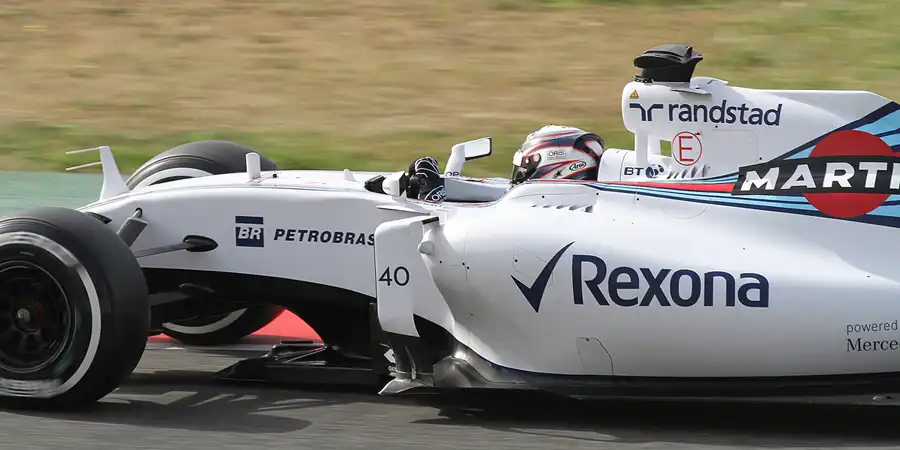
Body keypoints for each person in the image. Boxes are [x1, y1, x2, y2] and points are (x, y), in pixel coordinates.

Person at [401, 125, 606, 202]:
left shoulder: (554, 214)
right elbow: (499, 190)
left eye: (527, 166)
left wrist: (433, 199)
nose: (520, 174)